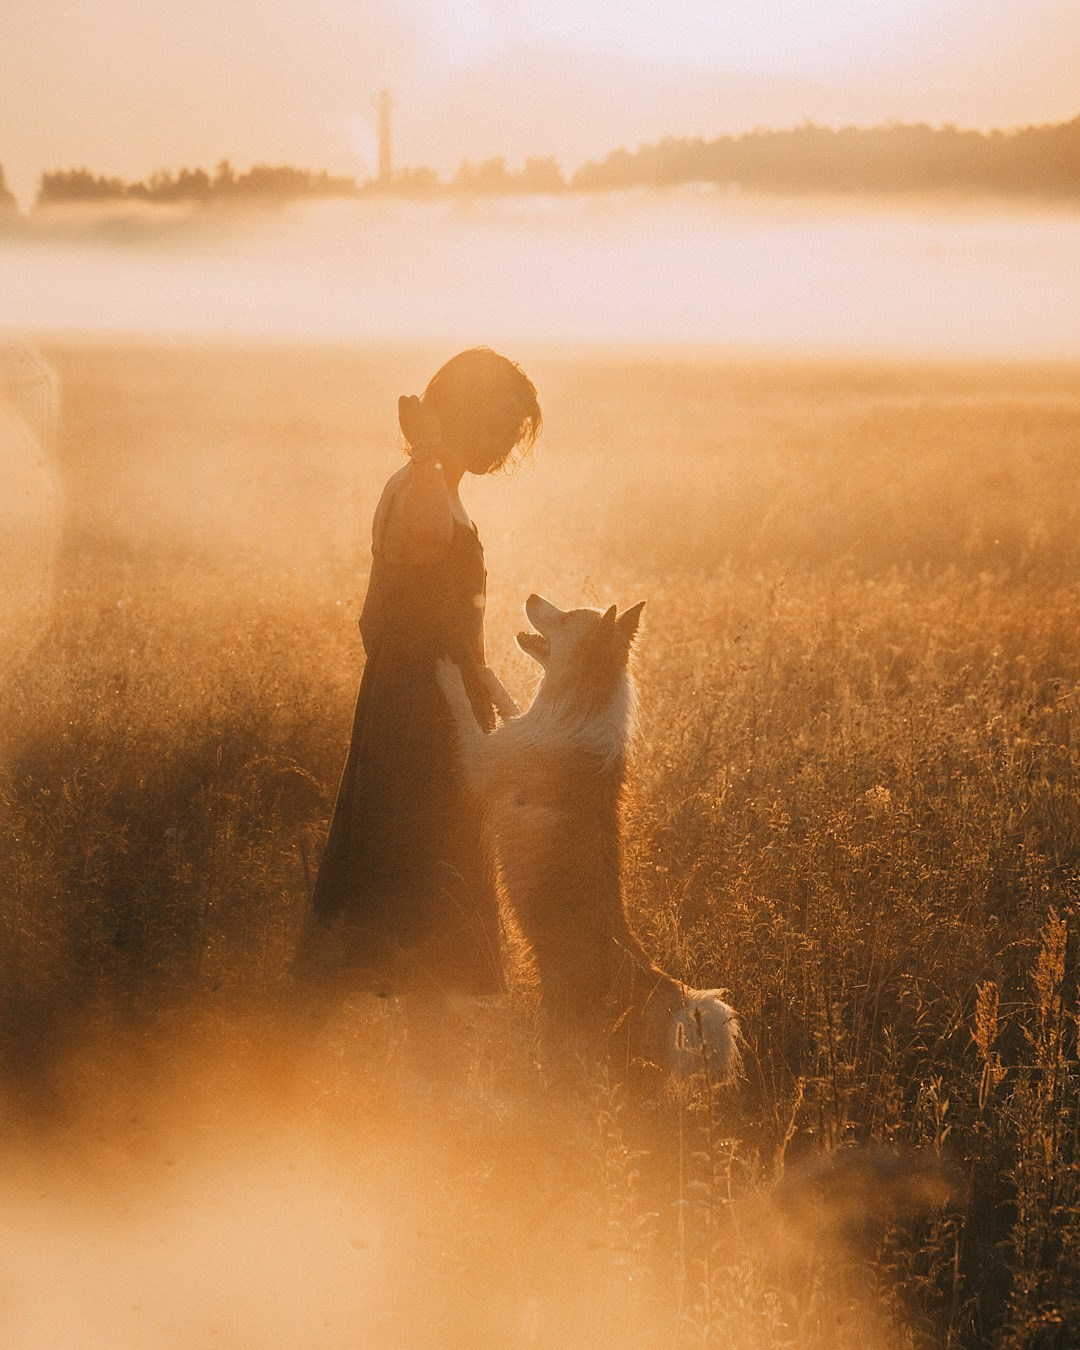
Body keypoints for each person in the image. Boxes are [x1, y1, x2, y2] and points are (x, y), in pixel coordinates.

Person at [296, 348, 542, 1020]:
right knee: (422, 877)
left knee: (422, 884)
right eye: (498, 426)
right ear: (466, 415)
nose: (502, 447)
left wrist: (477, 675)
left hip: (427, 703)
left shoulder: (430, 481)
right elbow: (405, 594)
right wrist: (433, 452)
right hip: (420, 716)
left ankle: (415, 1077)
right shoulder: (425, 485)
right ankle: (314, 1068)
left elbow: (393, 615)